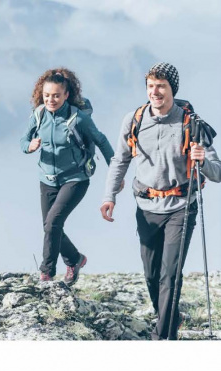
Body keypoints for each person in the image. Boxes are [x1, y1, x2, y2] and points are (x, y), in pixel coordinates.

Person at [101, 62, 221, 340]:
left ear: (172, 89)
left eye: (161, 86)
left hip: (181, 208)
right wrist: (109, 196)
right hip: (146, 208)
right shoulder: (134, 120)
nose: (155, 92)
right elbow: (120, 160)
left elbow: (217, 172)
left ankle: (163, 339)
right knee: (152, 276)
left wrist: (203, 162)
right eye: (151, 86)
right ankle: (171, 317)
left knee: (170, 276)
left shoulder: (192, 124)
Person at [20, 68, 113, 285]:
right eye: (47, 95)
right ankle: (75, 259)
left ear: (66, 95)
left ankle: (46, 273)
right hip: (47, 179)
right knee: (50, 226)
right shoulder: (39, 114)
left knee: (52, 223)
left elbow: (101, 140)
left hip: (75, 178)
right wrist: (29, 146)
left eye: (56, 95)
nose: (51, 100)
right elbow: (23, 140)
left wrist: (115, 171)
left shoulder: (77, 118)